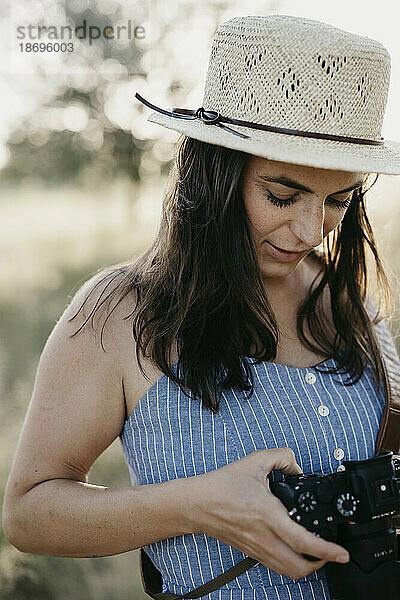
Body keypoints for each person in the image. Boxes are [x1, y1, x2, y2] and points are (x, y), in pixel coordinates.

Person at [3, 13, 400, 600]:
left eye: (338, 200)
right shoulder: (119, 316)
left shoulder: (348, 304)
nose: (312, 230)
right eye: (281, 194)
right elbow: (29, 515)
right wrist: (199, 506)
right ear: (215, 175)